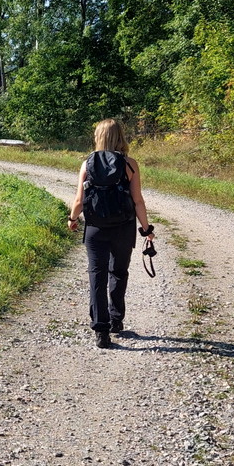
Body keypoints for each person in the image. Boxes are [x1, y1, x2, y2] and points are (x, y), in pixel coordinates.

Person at [67, 119, 155, 349]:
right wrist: (146, 229)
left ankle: (101, 330)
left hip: (95, 228)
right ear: (120, 137)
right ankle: (116, 319)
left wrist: (73, 219)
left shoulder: (87, 164)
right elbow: (138, 200)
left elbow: (79, 200)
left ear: (98, 137)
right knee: (118, 272)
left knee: (97, 275)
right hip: (123, 227)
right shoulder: (130, 164)